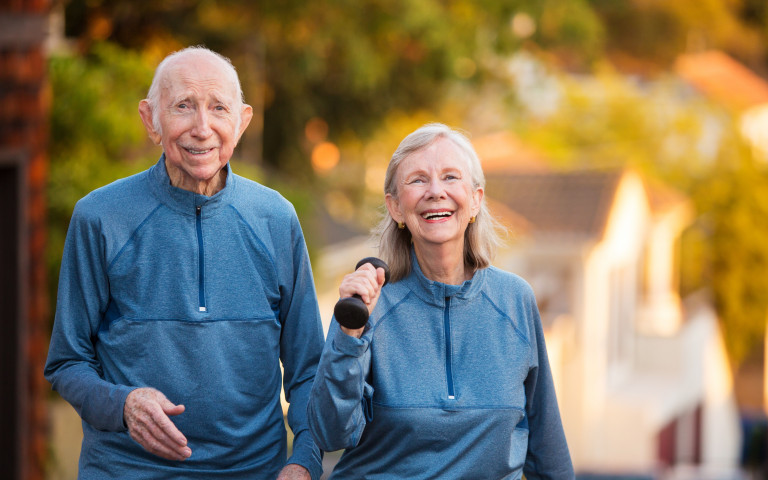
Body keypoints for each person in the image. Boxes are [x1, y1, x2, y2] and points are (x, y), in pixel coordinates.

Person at [44, 46, 324, 479]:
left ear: (242, 121)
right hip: (125, 470)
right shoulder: (100, 217)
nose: (202, 128)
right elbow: (67, 362)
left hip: (254, 471)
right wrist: (123, 405)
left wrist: (304, 459)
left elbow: (309, 369)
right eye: (183, 107)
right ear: (150, 120)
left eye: (218, 108)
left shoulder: (276, 218)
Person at [307, 123, 574, 479]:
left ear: (476, 199)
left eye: (451, 177)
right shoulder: (369, 303)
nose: (436, 192)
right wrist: (348, 336)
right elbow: (330, 433)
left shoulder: (514, 300)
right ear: (396, 208)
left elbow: (547, 447)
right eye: (417, 180)